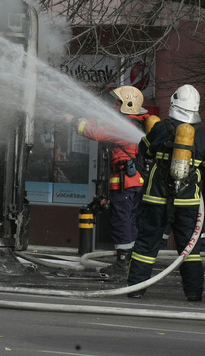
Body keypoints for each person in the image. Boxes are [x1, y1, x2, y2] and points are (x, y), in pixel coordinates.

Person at [127, 84, 205, 301]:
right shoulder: (203, 137)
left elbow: (144, 151)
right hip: (188, 203)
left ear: (174, 104)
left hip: (155, 199)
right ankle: (194, 293)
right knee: (190, 250)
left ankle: (136, 289)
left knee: (146, 245)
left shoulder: (161, 129)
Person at [66, 85, 150, 279]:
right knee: (130, 222)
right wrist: (86, 118)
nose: (113, 105)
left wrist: (74, 122)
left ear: (127, 105)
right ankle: (132, 263)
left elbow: (97, 133)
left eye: (117, 102)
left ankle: (122, 265)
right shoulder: (134, 123)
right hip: (135, 183)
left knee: (122, 222)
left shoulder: (123, 127)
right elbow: (102, 124)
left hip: (124, 185)